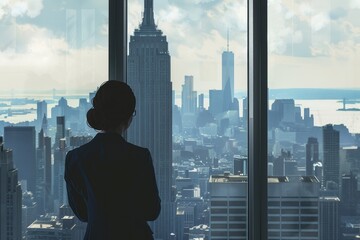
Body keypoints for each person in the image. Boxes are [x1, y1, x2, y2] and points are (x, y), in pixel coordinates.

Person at [64, 80, 161, 240]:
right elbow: (152, 211)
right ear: (129, 117)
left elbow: (82, 214)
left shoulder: (75, 158)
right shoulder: (139, 157)